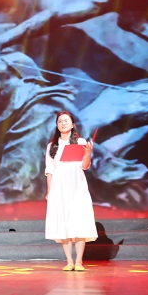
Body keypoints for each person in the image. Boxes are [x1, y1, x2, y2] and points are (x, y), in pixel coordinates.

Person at [44, 111, 97, 272]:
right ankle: (69, 261)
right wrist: (49, 191)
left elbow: (85, 166)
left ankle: (79, 261)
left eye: (66, 121)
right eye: (60, 121)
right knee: (63, 222)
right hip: (59, 187)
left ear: (73, 124)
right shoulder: (52, 146)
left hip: (77, 185)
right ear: (57, 125)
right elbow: (49, 170)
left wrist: (88, 153)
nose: (63, 123)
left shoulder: (80, 142)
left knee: (79, 220)